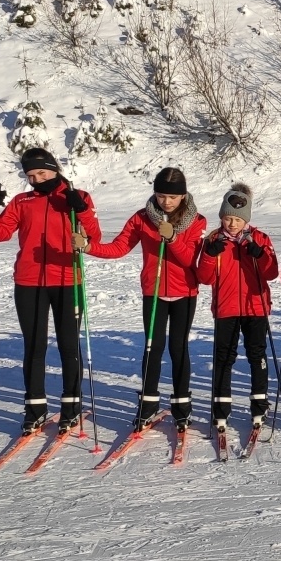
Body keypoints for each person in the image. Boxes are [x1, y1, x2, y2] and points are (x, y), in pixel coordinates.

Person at [0, 147, 100, 435]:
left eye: (42, 173)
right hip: (29, 282)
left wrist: (80, 209)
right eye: (31, 176)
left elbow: (93, 236)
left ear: (55, 169)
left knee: (69, 346)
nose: (36, 180)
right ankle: (35, 409)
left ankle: (71, 407)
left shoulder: (77, 198)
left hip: (68, 279)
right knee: (34, 346)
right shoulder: (23, 201)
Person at [87, 167, 203, 432]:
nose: (167, 201)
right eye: (161, 195)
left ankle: (182, 407)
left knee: (178, 348)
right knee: (153, 347)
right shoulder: (141, 218)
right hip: (154, 291)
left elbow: (189, 260)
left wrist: (172, 237)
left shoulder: (197, 221)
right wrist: (88, 246)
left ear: (183, 196)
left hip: (184, 291)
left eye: (173, 197)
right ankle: (148, 405)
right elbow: (119, 247)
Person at [196, 184, 279, 438]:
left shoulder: (260, 238)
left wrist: (259, 255)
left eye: (238, 220)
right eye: (228, 218)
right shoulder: (213, 240)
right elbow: (204, 277)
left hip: (255, 307)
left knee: (257, 355)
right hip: (226, 308)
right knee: (224, 357)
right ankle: (221, 408)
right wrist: (209, 255)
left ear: (247, 219)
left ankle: (259, 405)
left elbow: (272, 272)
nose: (232, 224)